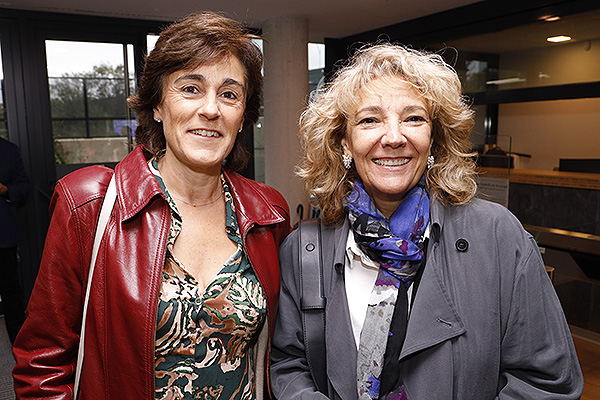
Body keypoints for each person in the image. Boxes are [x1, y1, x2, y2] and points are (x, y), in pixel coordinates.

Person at [270, 43, 583, 399]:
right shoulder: (305, 249)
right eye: (370, 120)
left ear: (434, 138)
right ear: (343, 142)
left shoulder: (498, 237)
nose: (393, 137)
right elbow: (290, 366)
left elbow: (548, 382)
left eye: (413, 118)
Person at [13, 12, 290, 399]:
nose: (211, 109)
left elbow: (282, 354)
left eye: (229, 94)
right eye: (190, 88)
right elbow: (42, 362)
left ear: (243, 115)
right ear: (157, 106)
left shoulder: (268, 213)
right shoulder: (90, 205)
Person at [0, 137, 30, 345]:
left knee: (11, 296)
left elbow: (23, 186)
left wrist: (5, 190)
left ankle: (21, 348)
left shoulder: (9, 151)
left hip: (3, 237)